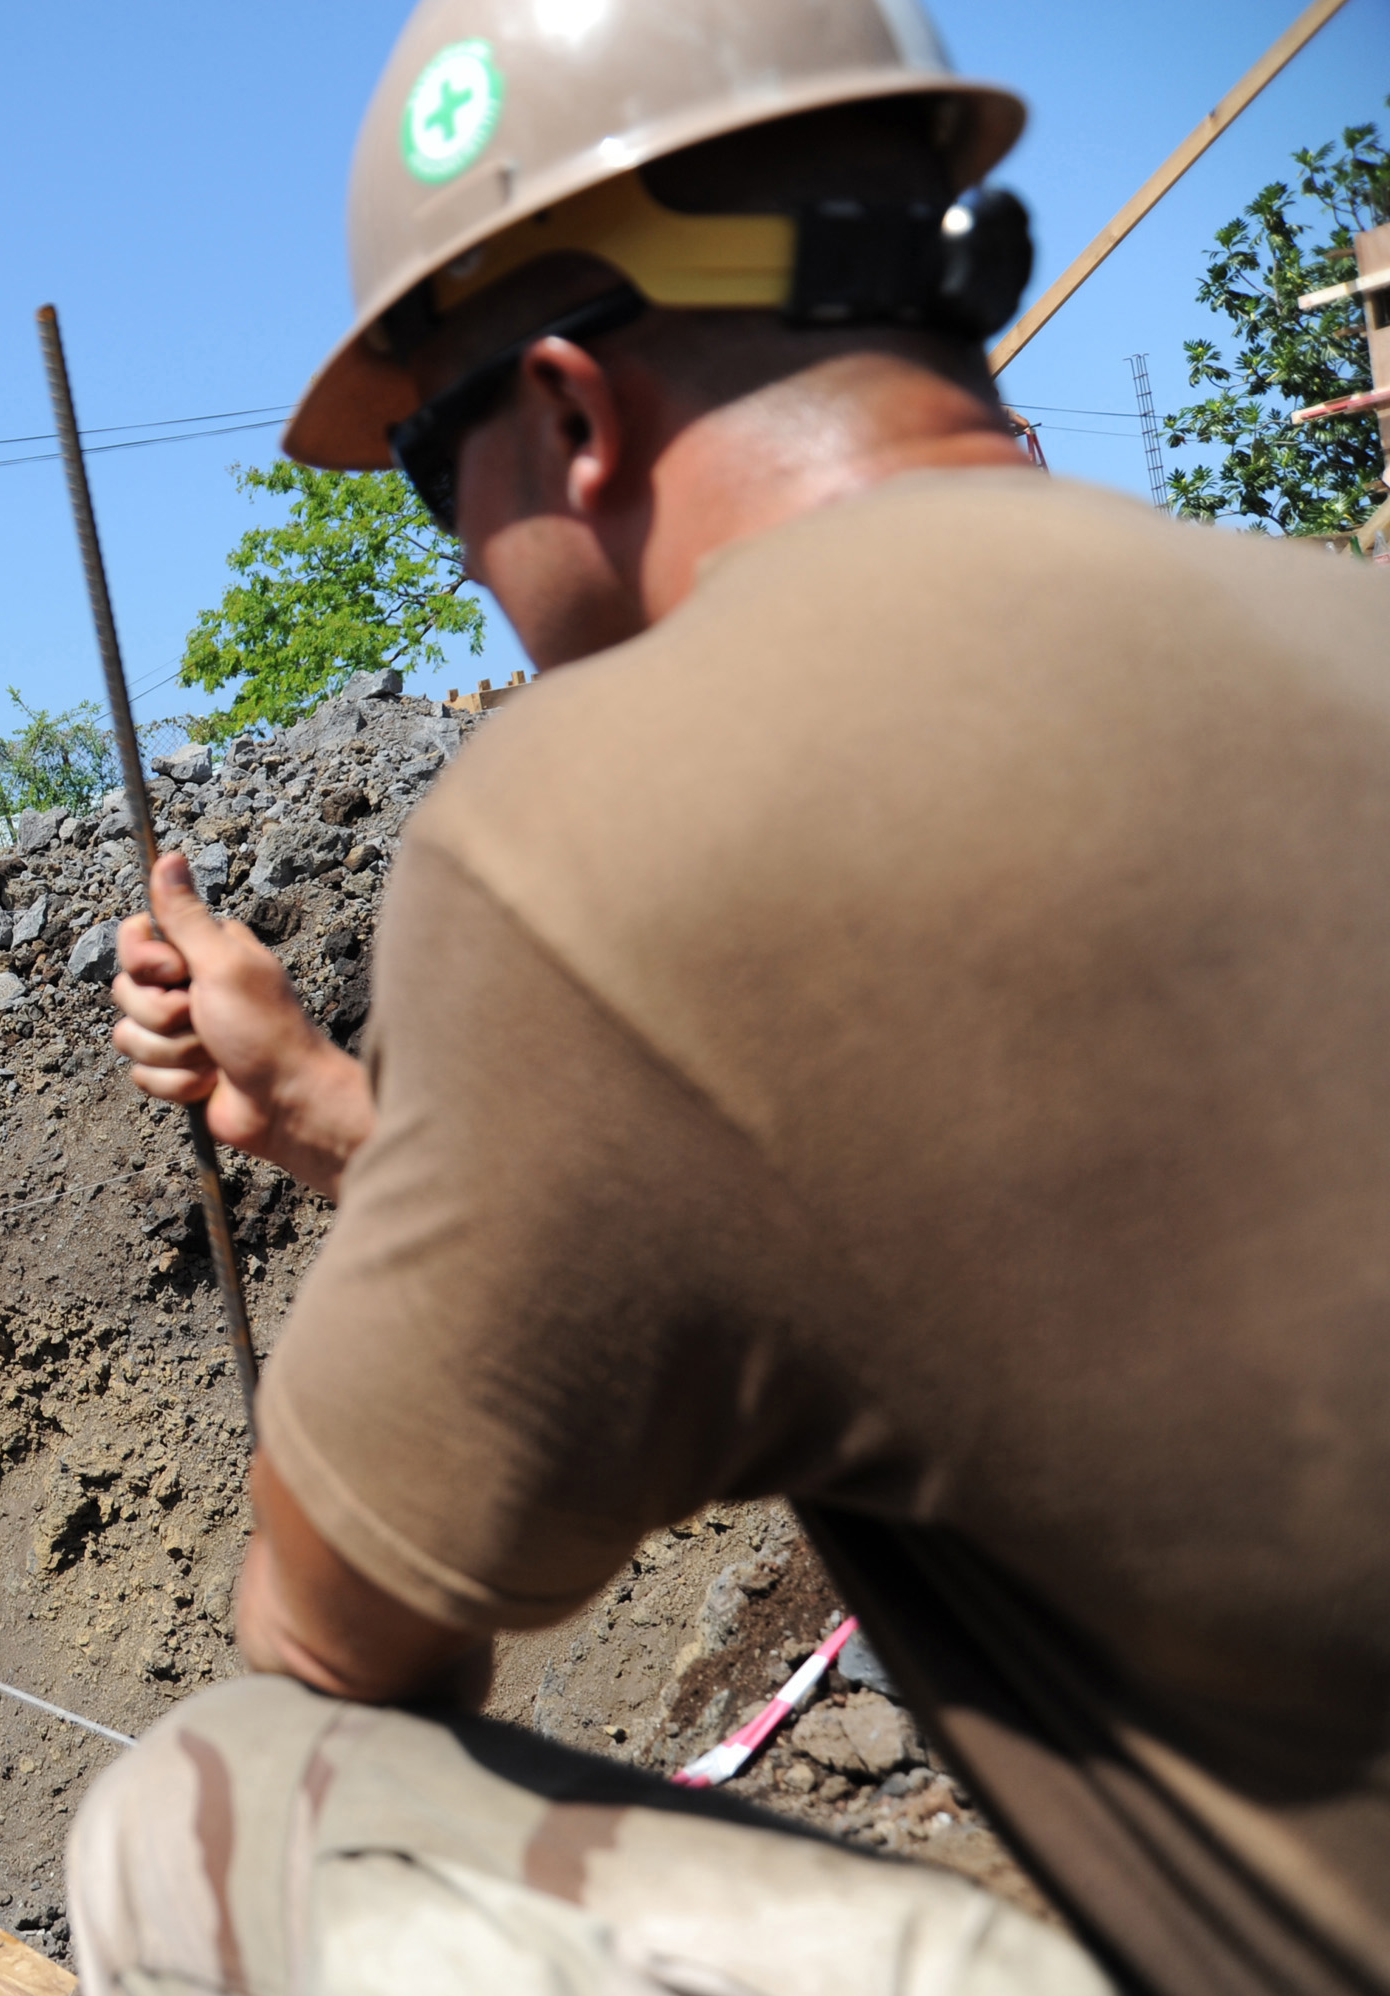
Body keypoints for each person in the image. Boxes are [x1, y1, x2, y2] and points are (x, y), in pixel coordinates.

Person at [74, 2, 1390, 1993]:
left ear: (575, 416)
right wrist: (351, 1117)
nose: (466, 561)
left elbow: (342, 1637)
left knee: (213, 1796)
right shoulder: (1343, 625)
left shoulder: (589, 820)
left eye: (439, 471)